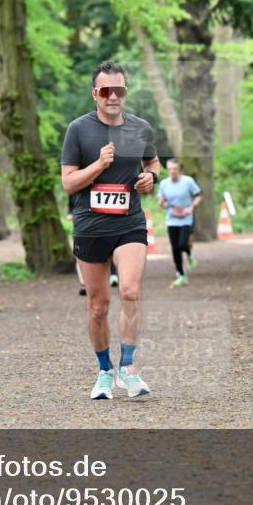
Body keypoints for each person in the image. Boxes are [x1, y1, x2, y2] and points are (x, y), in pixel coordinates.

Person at [60, 61, 160, 399]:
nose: (113, 96)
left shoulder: (140, 128)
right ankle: (105, 371)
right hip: (90, 226)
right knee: (98, 306)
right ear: (95, 94)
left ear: (125, 94)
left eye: (119, 90)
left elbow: (153, 161)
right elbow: (68, 182)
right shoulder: (78, 130)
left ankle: (129, 368)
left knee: (130, 291)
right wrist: (99, 165)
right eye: (106, 91)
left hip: (129, 222)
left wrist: (152, 177)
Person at [156, 158, 202, 287]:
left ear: (180, 170)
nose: (172, 172)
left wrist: (191, 207)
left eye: (175, 169)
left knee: (182, 244)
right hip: (172, 219)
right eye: (170, 169)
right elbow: (161, 199)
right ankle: (181, 274)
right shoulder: (164, 184)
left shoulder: (188, 182)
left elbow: (199, 194)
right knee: (175, 248)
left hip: (186, 218)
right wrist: (162, 203)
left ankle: (189, 253)